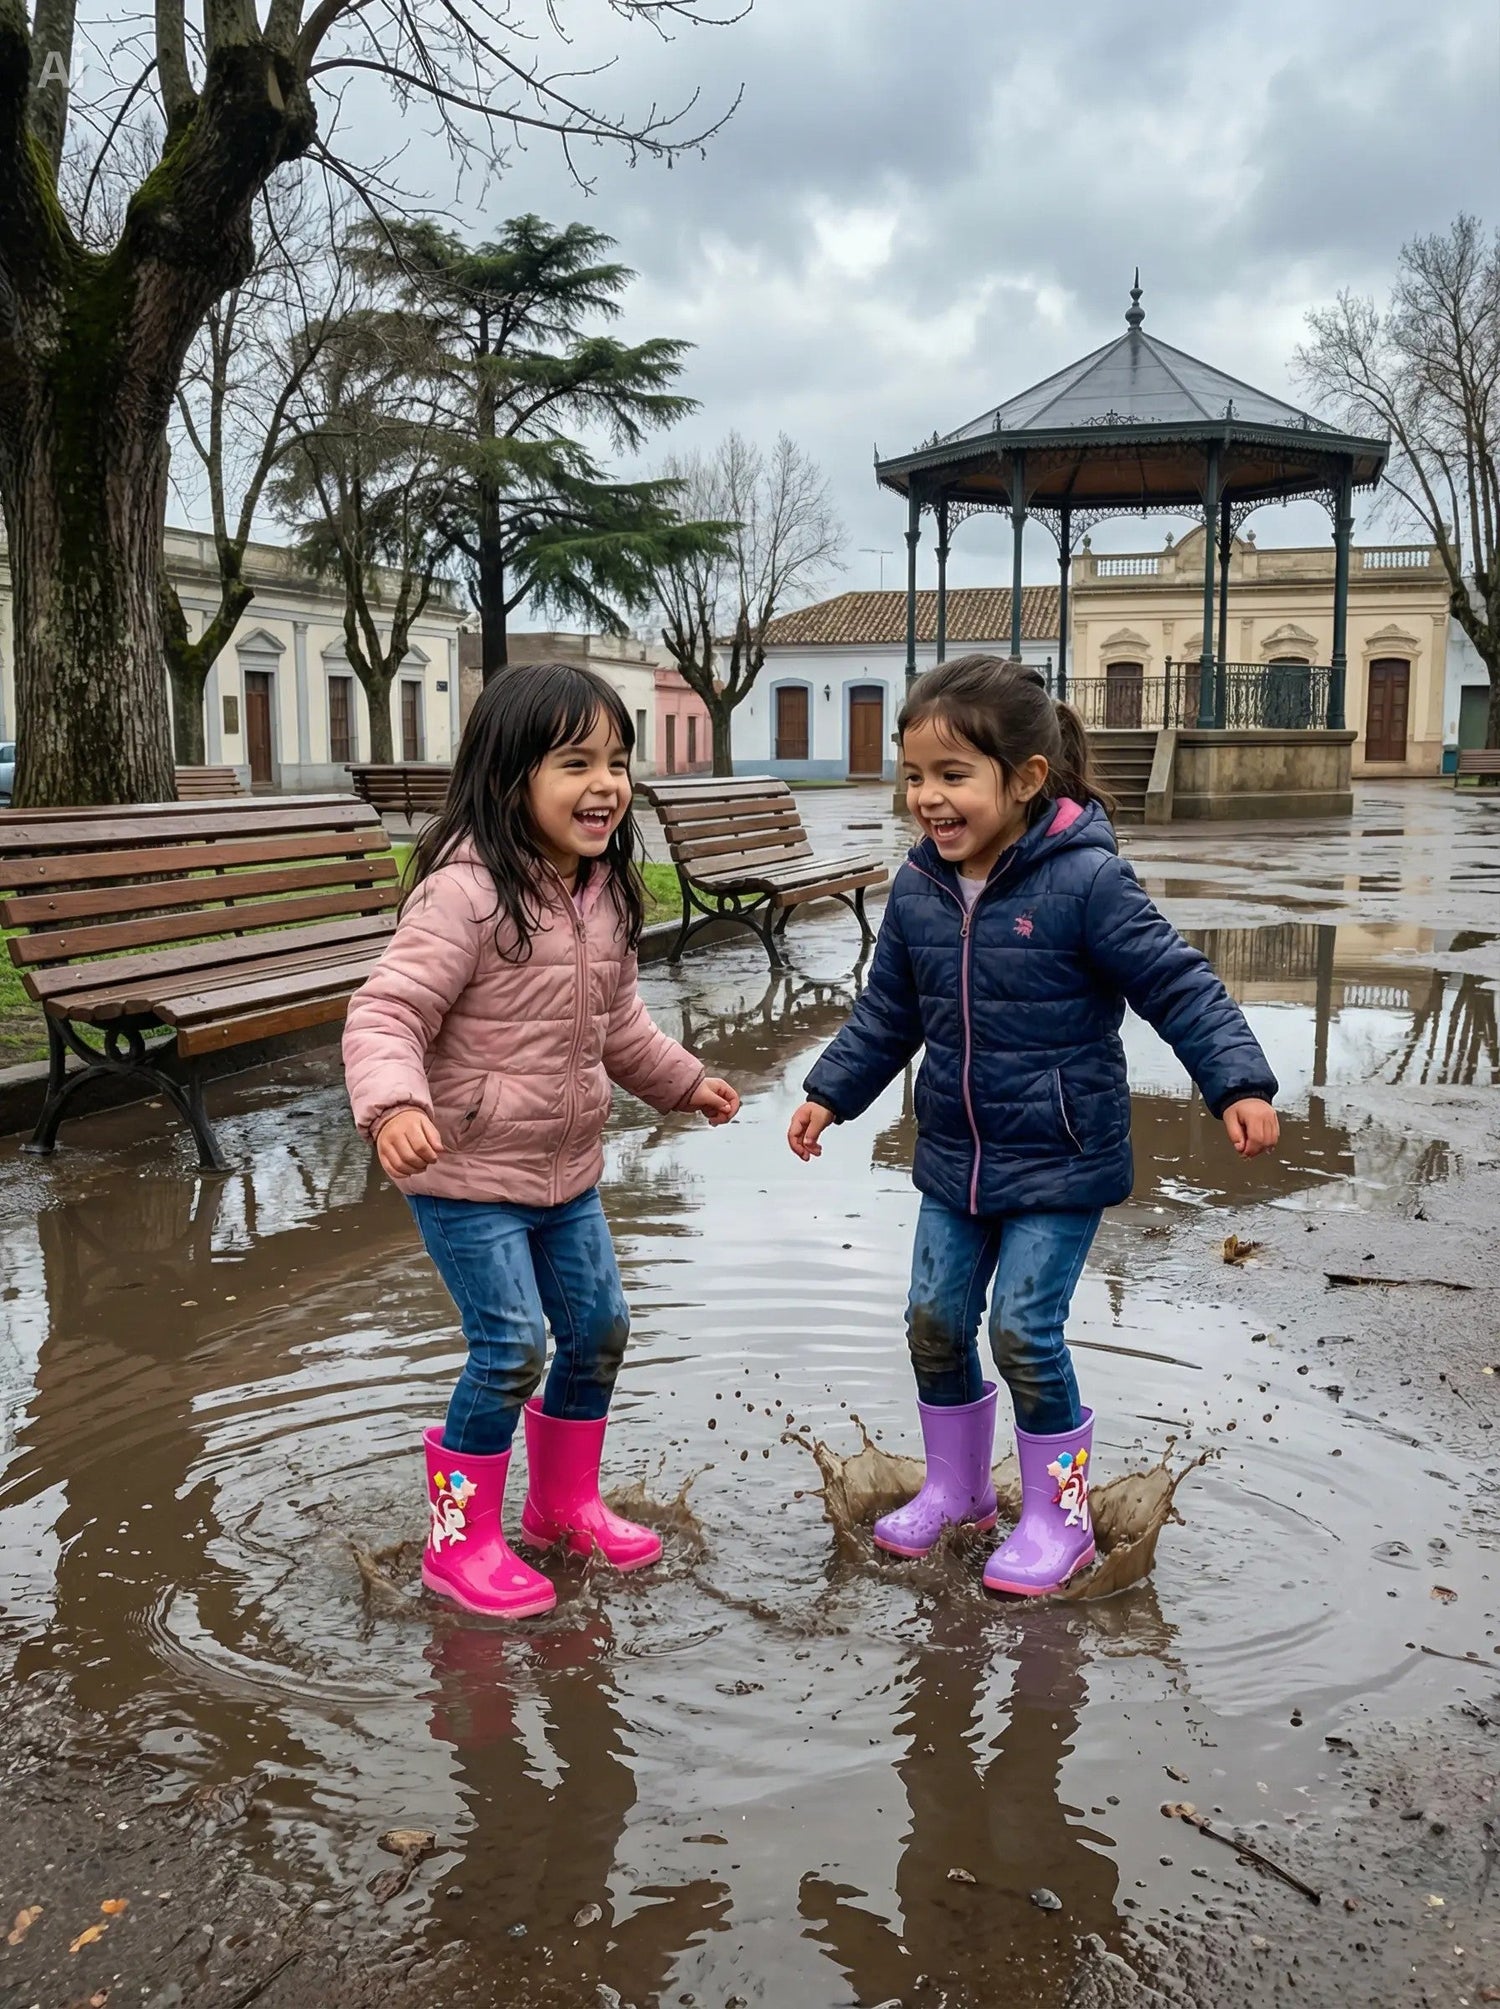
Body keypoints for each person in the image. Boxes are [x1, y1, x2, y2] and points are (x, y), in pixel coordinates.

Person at [787, 655, 1278, 1597]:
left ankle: (1058, 1520)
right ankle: (959, 1489)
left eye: (954, 775)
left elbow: (1178, 983)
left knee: (1021, 1329)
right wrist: (830, 1091)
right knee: (933, 1320)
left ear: (1025, 779)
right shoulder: (921, 888)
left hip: (1061, 1159)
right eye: (916, 775)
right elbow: (887, 1010)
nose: (929, 797)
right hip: (955, 1158)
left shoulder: (1087, 881)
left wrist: (1236, 1082)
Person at [345, 664, 739, 1619]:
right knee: (510, 1346)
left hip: (565, 1174)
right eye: (575, 763)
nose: (605, 783)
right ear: (510, 773)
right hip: (466, 1171)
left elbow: (618, 1029)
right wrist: (396, 1106)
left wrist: (684, 1081)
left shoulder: (600, 894)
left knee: (599, 1329)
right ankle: (458, 1542)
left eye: (617, 760)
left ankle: (562, 1508)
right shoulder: (466, 894)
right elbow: (385, 1010)